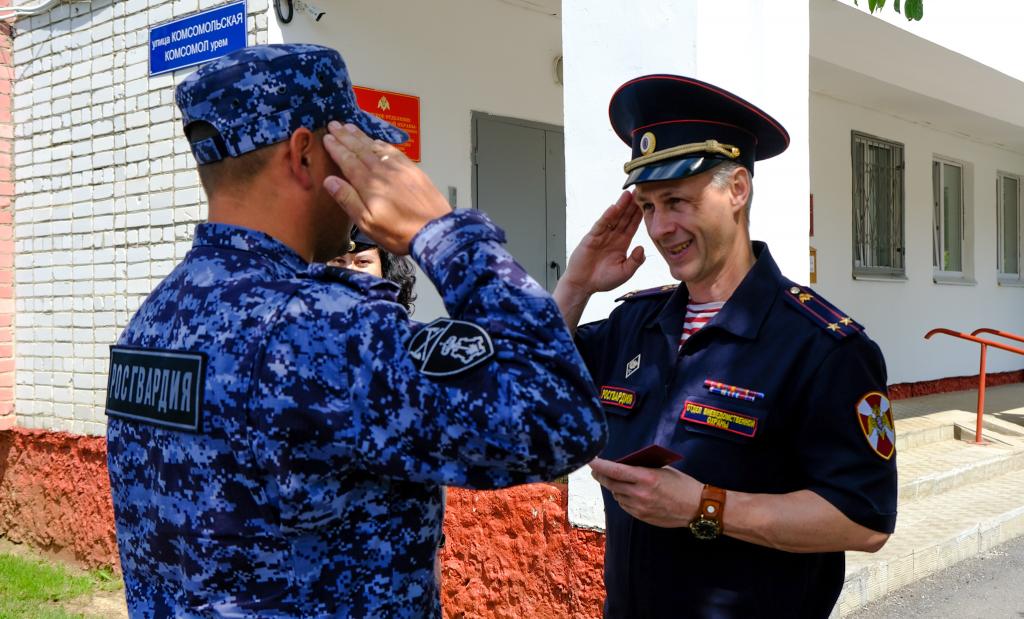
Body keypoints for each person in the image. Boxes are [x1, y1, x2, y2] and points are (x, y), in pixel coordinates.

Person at [104, 43, 606, 619]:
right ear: (304, 155)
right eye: (353, 151)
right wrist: (444, 234)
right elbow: (561, 418)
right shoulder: (323, 328)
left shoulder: (155, 319)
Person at [553, 74, 897, 618]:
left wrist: (705, 506)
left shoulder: (822, 346)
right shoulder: (633, 325)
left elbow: (864, 519)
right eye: (648, 206)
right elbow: (523, 390)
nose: (660, 228)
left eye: (677, 201)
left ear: (737, 189)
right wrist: (574, 287)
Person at [329, 226, 418, 312]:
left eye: (363, 262)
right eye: (339, 261)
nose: (349, 270)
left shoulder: (399, 323)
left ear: (384, 268)